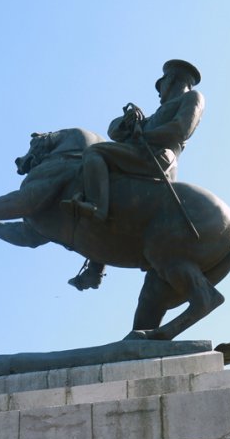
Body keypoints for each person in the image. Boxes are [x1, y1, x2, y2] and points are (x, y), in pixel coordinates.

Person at [64, 59, 203, 290]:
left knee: (94, 153)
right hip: (142, 152)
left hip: (159, 158)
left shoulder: (193, 98)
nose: (159, 92)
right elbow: (116, 133)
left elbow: (181, 130)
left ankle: (97, 209)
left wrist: (144, 134)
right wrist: (128, 122)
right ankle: (95, 270)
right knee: (109, 182)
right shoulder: (156, 114)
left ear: (172, 81)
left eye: (162, 85)